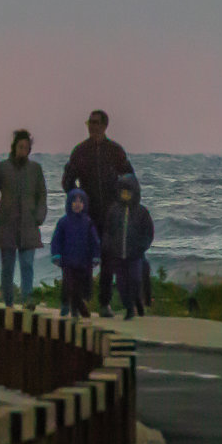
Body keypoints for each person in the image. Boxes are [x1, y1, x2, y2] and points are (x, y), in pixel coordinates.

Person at [61, 110, 137, 317]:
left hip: (112, 214)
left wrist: (125, 204)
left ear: (105, 126)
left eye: (95, 123)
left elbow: (130, 178)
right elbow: (67, 180)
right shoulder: (80, 151)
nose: (91, 126)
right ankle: (82, 299)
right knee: (83, 259)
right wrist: (76, 200)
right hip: (87, 215)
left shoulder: (115, 150)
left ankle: (104, 303)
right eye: (89, 122)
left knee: (108, 260)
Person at [0, 129, 47, 308]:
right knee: (7, 268)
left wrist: (40, 216)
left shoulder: (35, 169)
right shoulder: (1, 168)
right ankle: (8, 302)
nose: (23, 150)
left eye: (26, 147)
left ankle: (27, 299)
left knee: (27, 265)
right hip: (6, 225)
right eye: (20, 146)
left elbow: (42, 196)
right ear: (14, 147)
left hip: (29, 225)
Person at [100, 174, 154, 320]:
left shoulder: (142, 212)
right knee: (121, 283)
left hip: (134, 255)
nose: (125, 195)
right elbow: (107, 231)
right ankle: (129, 307)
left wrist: (141, 246)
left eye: (128, 192)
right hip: (117, 255)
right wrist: (108, 245)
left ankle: (136, 301)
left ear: (134, 192)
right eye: (122, 192)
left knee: (136, 280)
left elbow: (148, 232)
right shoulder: (114, 210)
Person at [51, 188, 101, 318]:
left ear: (84, 204)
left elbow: (94, 241)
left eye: (80, 201)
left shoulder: (88, 222)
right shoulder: (64, 222)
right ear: (69, 203)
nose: (77, 204)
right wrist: (56, 254)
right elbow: (56, 240)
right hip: (68, 261)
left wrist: (96, 256)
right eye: (74, 201)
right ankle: (66, 304)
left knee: (81, 287)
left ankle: (76, 309)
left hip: (84, 261)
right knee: (68, 285)